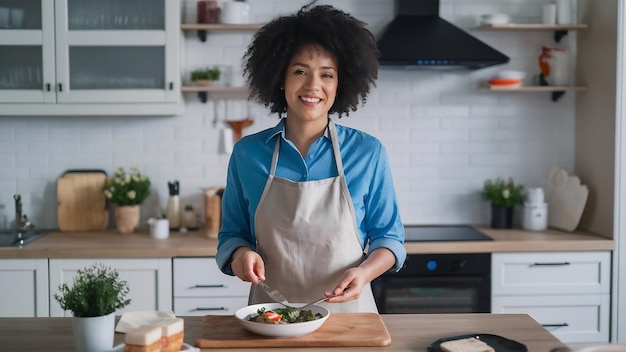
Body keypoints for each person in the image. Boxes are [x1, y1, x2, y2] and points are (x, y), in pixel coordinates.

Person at [216, 2, 406, 313]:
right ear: (280, 77)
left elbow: (390, 238)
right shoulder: (248, 154)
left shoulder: (367, 152)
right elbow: (232, 233)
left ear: (339, 83)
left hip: (349, 320)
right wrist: (239, 255)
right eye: (300, 71)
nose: (312, 86)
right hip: (271, 318)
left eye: (327, 75)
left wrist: (364, 273)